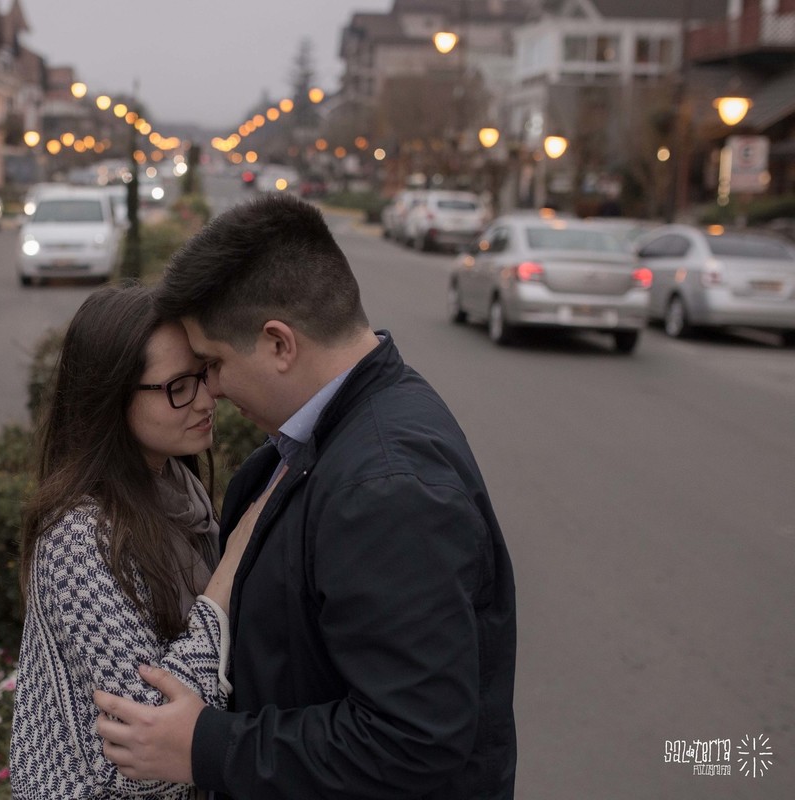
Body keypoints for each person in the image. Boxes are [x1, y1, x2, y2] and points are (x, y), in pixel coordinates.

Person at [94, 194, 517, 799]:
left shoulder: (385, 488)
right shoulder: (344, 429)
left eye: (212, 363)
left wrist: (206, 745)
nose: (210, 389)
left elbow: (413, 742)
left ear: (279, 344)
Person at [10, 285, 276, 799]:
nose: (205, 398)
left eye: (202, 373)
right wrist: (224, 583)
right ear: (111, 397)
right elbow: (145, 754)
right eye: (178, 386)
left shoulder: (176, 487)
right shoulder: (79, 538)